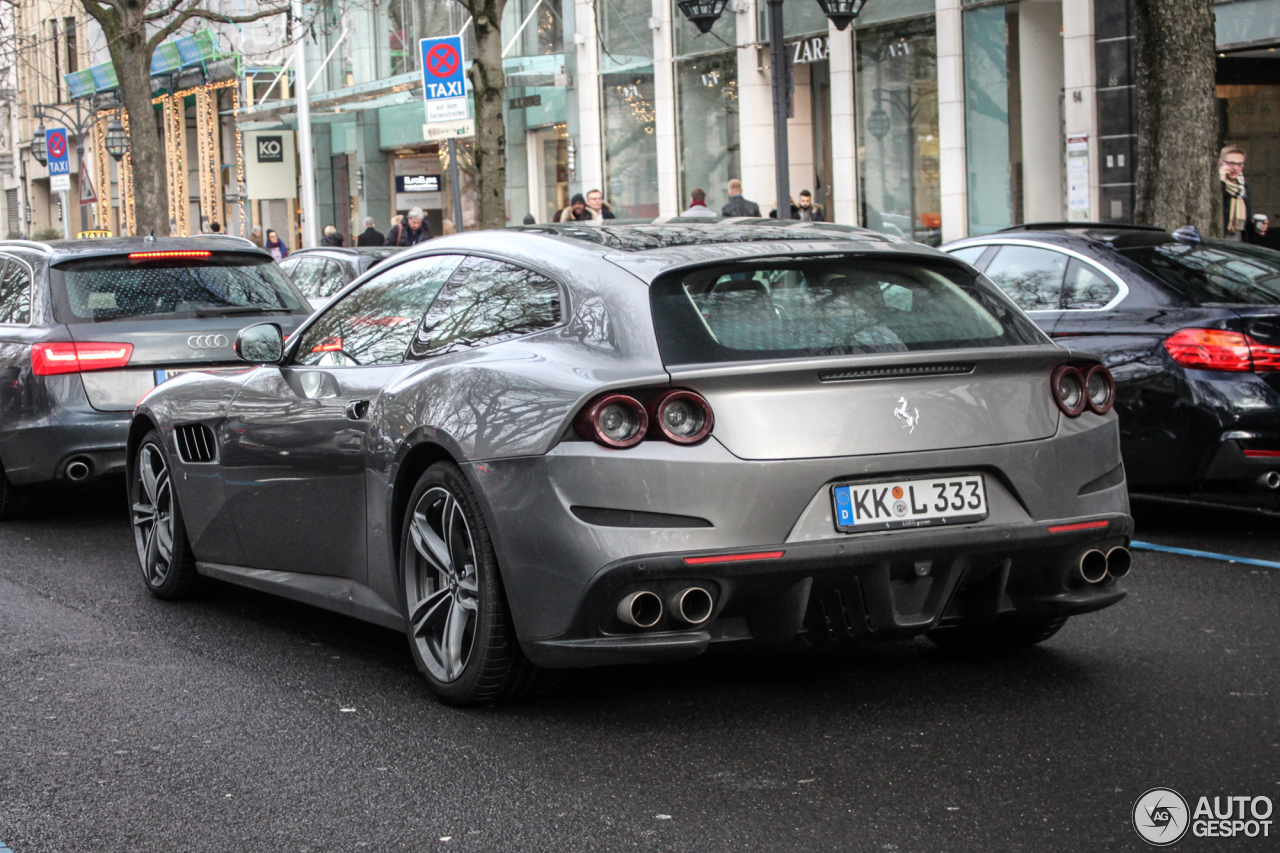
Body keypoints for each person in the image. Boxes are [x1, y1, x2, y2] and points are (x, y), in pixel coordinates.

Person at [1220, 144, 1269, 242]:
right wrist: (1221, 180)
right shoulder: (1216, 185)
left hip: (1238, 240)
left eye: (1240, 164)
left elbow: (1246, 221)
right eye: (1231, 163)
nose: (1235, 168)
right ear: (1221, 163)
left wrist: (1257, 228)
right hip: (1220, 239)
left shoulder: (1243, 187)